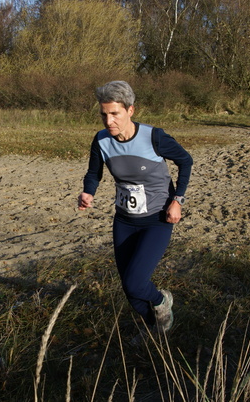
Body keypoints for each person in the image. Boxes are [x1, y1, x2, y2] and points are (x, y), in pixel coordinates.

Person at [78, 81, 193, 334]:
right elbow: (93, 173)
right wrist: (88, 191)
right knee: (128, 287)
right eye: (104, 114)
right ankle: (156, 330)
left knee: (135, 282)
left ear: (130, 111)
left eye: (115, 113)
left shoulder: (154, 137)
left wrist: (178, 200)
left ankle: (162, 301)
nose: (108, 121)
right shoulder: (101, 140)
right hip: (125, 220)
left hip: (157, 219)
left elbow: (186, 161)